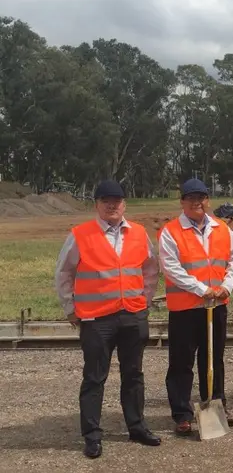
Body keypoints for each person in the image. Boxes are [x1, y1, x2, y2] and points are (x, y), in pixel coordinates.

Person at [54, 180, 161, 459]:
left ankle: (136, 426)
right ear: (97, 205)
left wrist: (144, 299)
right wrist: (70, 308)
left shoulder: (138, 233)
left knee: (134, 375)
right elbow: (64, 273)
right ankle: (92, 435)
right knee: (94, 378)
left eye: (117, 200)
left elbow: (151, 268)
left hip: (132, 315)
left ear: (125, 204)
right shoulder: (80, 235)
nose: (112, 205)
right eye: (106, 201)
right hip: (96, 320)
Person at [158, 178, 233, 435]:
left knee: (213, 359)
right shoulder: (170, 232)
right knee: (182, 362)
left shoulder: (222, 229)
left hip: (216, 306)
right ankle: (182, 414)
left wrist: (226, 286)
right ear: (182, 201)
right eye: (191, 198)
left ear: (208, 200)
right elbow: (171, 268)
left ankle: (216, 404)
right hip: (185, 308)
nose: (197, 202)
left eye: (202, 197)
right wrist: (201, 290)